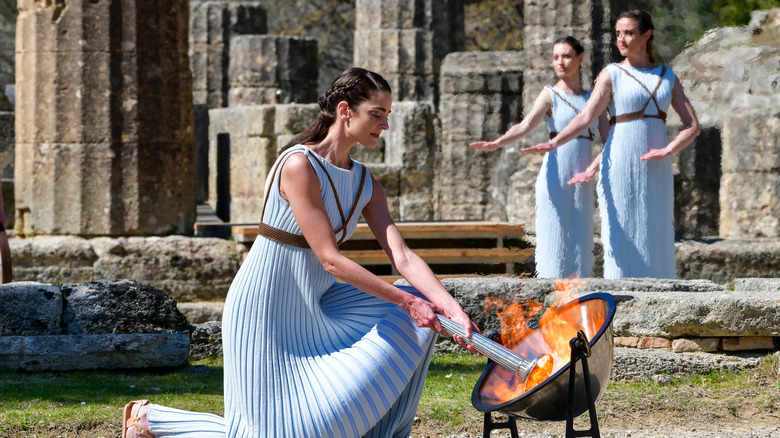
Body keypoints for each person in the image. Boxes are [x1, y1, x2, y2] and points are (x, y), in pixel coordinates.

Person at [121, 67, 479, 438]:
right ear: (345, 111)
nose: (384, 124)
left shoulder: (366, 182)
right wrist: (408, 302)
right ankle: (151, 421)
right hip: (267, 306)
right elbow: (330, 259)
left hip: (318, 305)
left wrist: (451, 308)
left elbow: (401, 256)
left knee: (423, 313)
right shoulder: (298, 165)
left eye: (387, 116)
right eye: (376, 114)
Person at [525, 10, 701, 279]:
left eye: (628, 33)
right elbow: (586, 117)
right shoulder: (611, 73)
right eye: (618, 33)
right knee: (622, 234)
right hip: (619, 160)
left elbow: (692, 125)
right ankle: (619, 296)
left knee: (657, 229)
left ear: (646, 35)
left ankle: (661, 294)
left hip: (657, 165)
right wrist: (556, 142)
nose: (621, 39)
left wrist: (668, 150)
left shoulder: (667, 76)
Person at [470, 36, 609, 278]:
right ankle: (550, 295)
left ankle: (578, 301)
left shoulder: (594, 98)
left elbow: (610, 141)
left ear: (580, 58)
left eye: (566, 56)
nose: (560, 62)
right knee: (553, 237)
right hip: (554, 175)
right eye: (556, 57)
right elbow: (524, 126)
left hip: (582, 178)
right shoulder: (550, 95)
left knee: (580, 242)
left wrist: (593, 169)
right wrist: (498, 142)